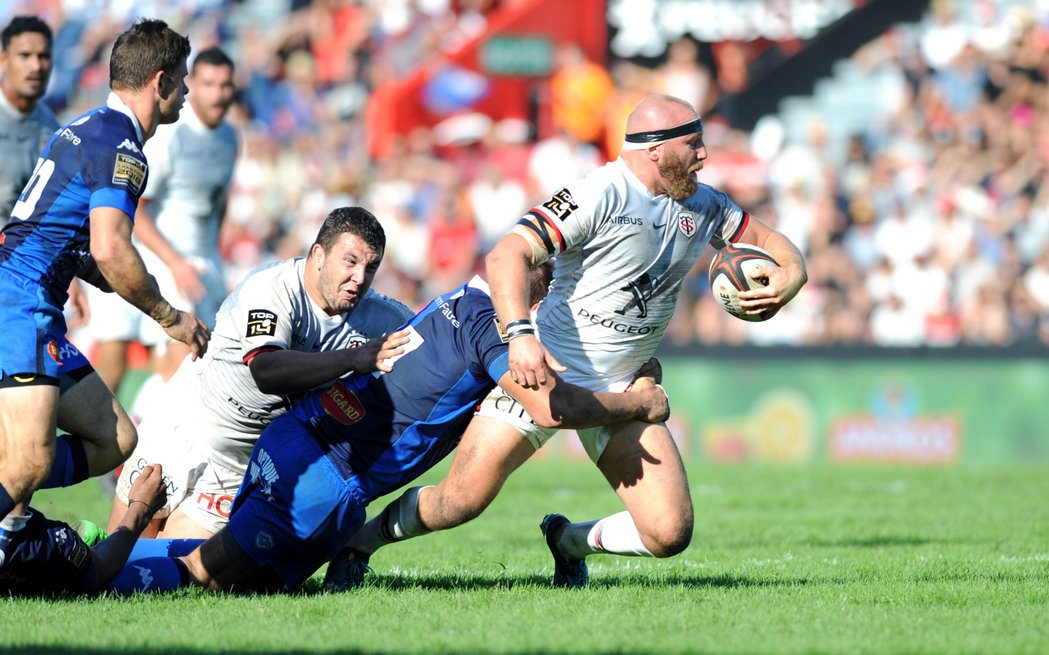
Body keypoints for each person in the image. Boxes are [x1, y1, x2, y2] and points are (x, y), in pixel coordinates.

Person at [326, 93, 806, 590]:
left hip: (622, 383)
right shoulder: (598, 194)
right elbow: (506, 255)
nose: (704, 154)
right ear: (655, 149)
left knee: (669, 533)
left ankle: (568, 542)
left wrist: (793, 274)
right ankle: (358, 544)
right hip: (546, 371)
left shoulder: (705, 204)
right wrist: (519, 336)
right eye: (693, 143)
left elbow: (771, 242)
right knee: (459, 502)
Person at [162, 266, 670, 593]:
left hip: (291, 435)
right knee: (205, 575)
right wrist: (637, 400)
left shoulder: (456, 299)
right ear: (534, 303)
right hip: (327, 479)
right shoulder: (489, 330)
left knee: (226, 566)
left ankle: (123, 544)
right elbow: (550, 408)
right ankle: (111, 560)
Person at [0, 18, 209, 527]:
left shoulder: (86, 126)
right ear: (160, 81)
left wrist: (106, 276)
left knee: (115, 438)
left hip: (29, 300)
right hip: (19, 301)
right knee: (30, 463)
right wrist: (168, 316)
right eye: (182, 80)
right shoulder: (122, 148)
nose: (185, 92)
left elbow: (79, 243)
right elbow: (112, 250)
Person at [107, 207, 412, 540]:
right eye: (350, 262)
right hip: (183, 426)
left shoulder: (382, 319)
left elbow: (437, 340)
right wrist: (354, 359)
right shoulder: (273, 287)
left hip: (238, 465)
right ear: (318, 255)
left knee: (170, 566)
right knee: (124, 549)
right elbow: (267, 372)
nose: (360, 278)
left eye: (371, 267)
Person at [86, 46, 239, 412]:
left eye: (225, 85)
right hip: (161, 258)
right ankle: (115, 434)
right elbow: (139, 208)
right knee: (147, 362)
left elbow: (218, 201)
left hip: (200, 261)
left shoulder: (231, 138)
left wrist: (213, 255)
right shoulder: (172, 135)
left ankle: (137, 429)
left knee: (192, 368)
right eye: (208, 84)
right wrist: (175, 263)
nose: (218, 94)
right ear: (193, 85)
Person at [0, 464, 201, 596]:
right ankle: (95, 547)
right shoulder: (24, 543)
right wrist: (141, 508)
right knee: (203, 564)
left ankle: (94, 546)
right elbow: (100, 569)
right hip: (32, 549)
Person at [0, 16, 59, 217]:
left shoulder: (54, 133)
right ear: (3, 59)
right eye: (25, 55)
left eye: (44, 56)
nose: (36, 66)